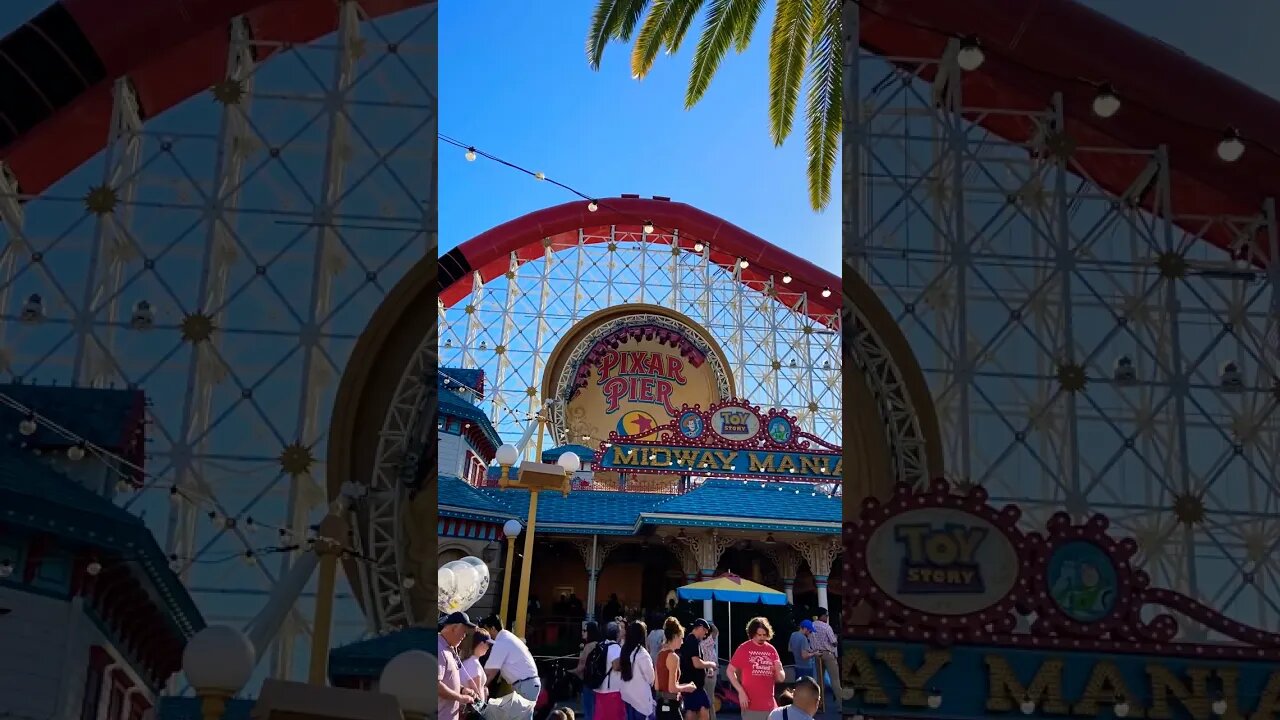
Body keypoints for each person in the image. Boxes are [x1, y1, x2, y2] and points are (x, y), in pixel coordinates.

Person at [727, 617, 785, 720]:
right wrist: (740, 691)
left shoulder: (771, 649)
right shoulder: (744, 648)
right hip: (751, 706)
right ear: (752, 633)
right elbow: (730, 671)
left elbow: (781, 678)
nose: (762, 638)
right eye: (759, 635)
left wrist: (779, 670)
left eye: (764, 635)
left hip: (770, 706)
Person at [480, 614, 543, 703]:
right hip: (527, 684)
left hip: (525, 685)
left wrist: (478, 689)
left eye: (486, 629)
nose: (485, 633)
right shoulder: (507, 637)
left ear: (493, 628)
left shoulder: (501, 642)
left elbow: (490, 673)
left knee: (521, 716)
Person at [439, 612, 479, 720]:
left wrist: (462, 690)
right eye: (464, 632)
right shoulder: (439, 649)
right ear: (454, 628)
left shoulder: (447, 648)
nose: (464, 636)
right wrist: (460, 697)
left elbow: (446, 680)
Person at [656, 618, 697, 720]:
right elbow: (672, 688)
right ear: (674, 637)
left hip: (661, 704)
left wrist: (683, 685)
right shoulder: (673, 657)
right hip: (671, 705)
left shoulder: (660, 654)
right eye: (681, 638)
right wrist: (688, 687)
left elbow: (657, 685)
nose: (682, 642)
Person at [619, 620, 656, 720]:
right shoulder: (642, 654)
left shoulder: (624, 649)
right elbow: (651, 678)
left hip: (626, 696)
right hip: (641, 700)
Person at [678, 618, 714, 720]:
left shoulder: (690, 640)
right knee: (702, 708)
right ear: (701, 628)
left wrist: (707, 669)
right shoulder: (692, 641)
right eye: (705, 632)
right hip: (693, 685)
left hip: (692, 684)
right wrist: (711, 664)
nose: (705, 635)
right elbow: (696, 663)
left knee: (693, 709)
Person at [808, 609, 841, 707]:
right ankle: (841, 705)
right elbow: (833, 642)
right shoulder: (826, 627)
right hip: (828, 654)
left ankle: (819, 704)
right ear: (822, 616)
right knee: (835, 680)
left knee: (819, 680)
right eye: (826, 615)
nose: (827, 617)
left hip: (816, 654)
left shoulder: (811, 626)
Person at [594, 621, 626, 720]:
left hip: (600, 688)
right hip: (613, 691)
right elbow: (616, 666)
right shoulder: (615, 647)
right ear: (617, 633)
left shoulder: (601, 645)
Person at [573, 621, 603, 720]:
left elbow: (580, 667)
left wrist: (570, 672)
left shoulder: (587, 647)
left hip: (588, 682)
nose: (583, 632)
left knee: (588, 712)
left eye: (585, 630)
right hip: (599, 683)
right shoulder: (600, 645)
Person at [461, 629, 495, 705]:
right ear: (481, 643)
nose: (488, 647)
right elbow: (477, 692)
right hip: (471, 709)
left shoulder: (469, 661)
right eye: (488, 644)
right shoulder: (473, 664)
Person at [699, 624, 720, 720]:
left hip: (708, 672)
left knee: (708, 698)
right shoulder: (707, 642)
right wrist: (710, 625)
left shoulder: (703, 643)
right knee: (709, 698)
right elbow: (716, 631)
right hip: (709, 673)